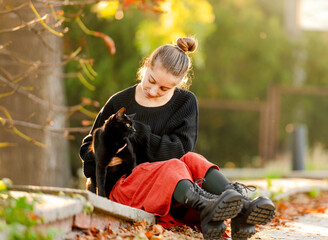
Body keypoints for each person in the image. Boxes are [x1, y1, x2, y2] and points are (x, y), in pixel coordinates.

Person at [79, 37, 275, 240]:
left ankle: (243, 209)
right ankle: (207, 207)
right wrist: (104, 156)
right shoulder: (120, 102)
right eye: (151, 80)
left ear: (179, 83)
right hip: (125, 188)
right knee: (172, 165)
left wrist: (140, 132)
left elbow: (180, 151)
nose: (153, 91)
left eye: (164, 88)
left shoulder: (185, 103)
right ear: (146, 65)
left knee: (193, 160)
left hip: (173, 191)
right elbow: (87, 150)